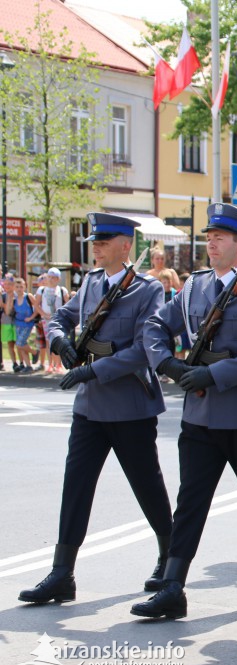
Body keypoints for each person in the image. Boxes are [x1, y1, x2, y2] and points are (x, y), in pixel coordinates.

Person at [132, 203, 237, 620]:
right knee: (191, 501)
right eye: (209, 237)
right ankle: (173, 587)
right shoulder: (195, 287)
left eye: (219, 238)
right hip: (200, 417)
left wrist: (213, 375)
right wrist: (166, 362)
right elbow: (155, 327)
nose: (211, 243)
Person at [18, 213, 172, 604]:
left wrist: (91, 370)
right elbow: (60, 319)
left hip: (130, 406)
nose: (96, 247)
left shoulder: (146, 290)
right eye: (94, 242)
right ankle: (61, 573)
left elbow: (142, 350)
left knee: (147, 486)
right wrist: (58, 341)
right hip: (90, 409)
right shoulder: (89, 283)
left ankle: (170, 558)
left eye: (104, 242)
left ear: (125, 245)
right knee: (76, 488)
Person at [34, 268, 70, 373]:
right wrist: (44, 314)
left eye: (53, 278)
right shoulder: (41, 290)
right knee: (48, 341)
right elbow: (36, 304)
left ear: (58, 279)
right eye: (49, 277)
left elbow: (68, 305)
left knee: (58, 340)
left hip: (58, 320)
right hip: (46, 320)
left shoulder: (62, 290)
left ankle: (58, 364)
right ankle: (50, 364)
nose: (51, 279)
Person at [7, 277, 37, 372]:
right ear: (14, 288)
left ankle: (35, 352)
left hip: (27, 324)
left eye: (21, 287)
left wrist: (31, 317)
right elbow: (8, 312)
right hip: (18, 323)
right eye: (17, 287)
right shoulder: (14, 299)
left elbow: (37, 308)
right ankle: (28, 366)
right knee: (23, 344)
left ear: (25, 287)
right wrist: (10, 298)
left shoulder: (28, 297)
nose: (19, 289)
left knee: (20, 344)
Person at [1, 273, 16, 370]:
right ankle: (15, 363)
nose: (6, 286)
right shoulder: (3, 296)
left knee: (19, 344)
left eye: (9, 284)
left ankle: (23, 362)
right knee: (10, 344)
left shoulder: (18, 295)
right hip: (6, 322)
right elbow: (7, 311)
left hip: (17, 323)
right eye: (5, 284)